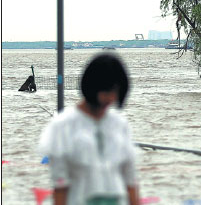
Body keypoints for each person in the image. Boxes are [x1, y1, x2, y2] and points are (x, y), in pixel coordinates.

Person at [39, 53, 139, 205]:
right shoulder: (63, 125)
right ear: (92, 87)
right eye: (106, 92)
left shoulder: (120, 124)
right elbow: (60, 186)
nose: (111, 98)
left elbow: (130, 180)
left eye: (115, 93)